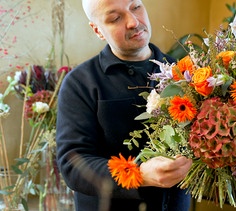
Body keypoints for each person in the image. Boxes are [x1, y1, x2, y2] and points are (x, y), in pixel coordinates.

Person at [55, 0, 192, 210]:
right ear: (98, 30)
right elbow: (73, 164)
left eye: (135, 7)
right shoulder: (80, 83)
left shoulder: (185, 74)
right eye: (115, 18)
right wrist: (139, 174)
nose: (132, 22)